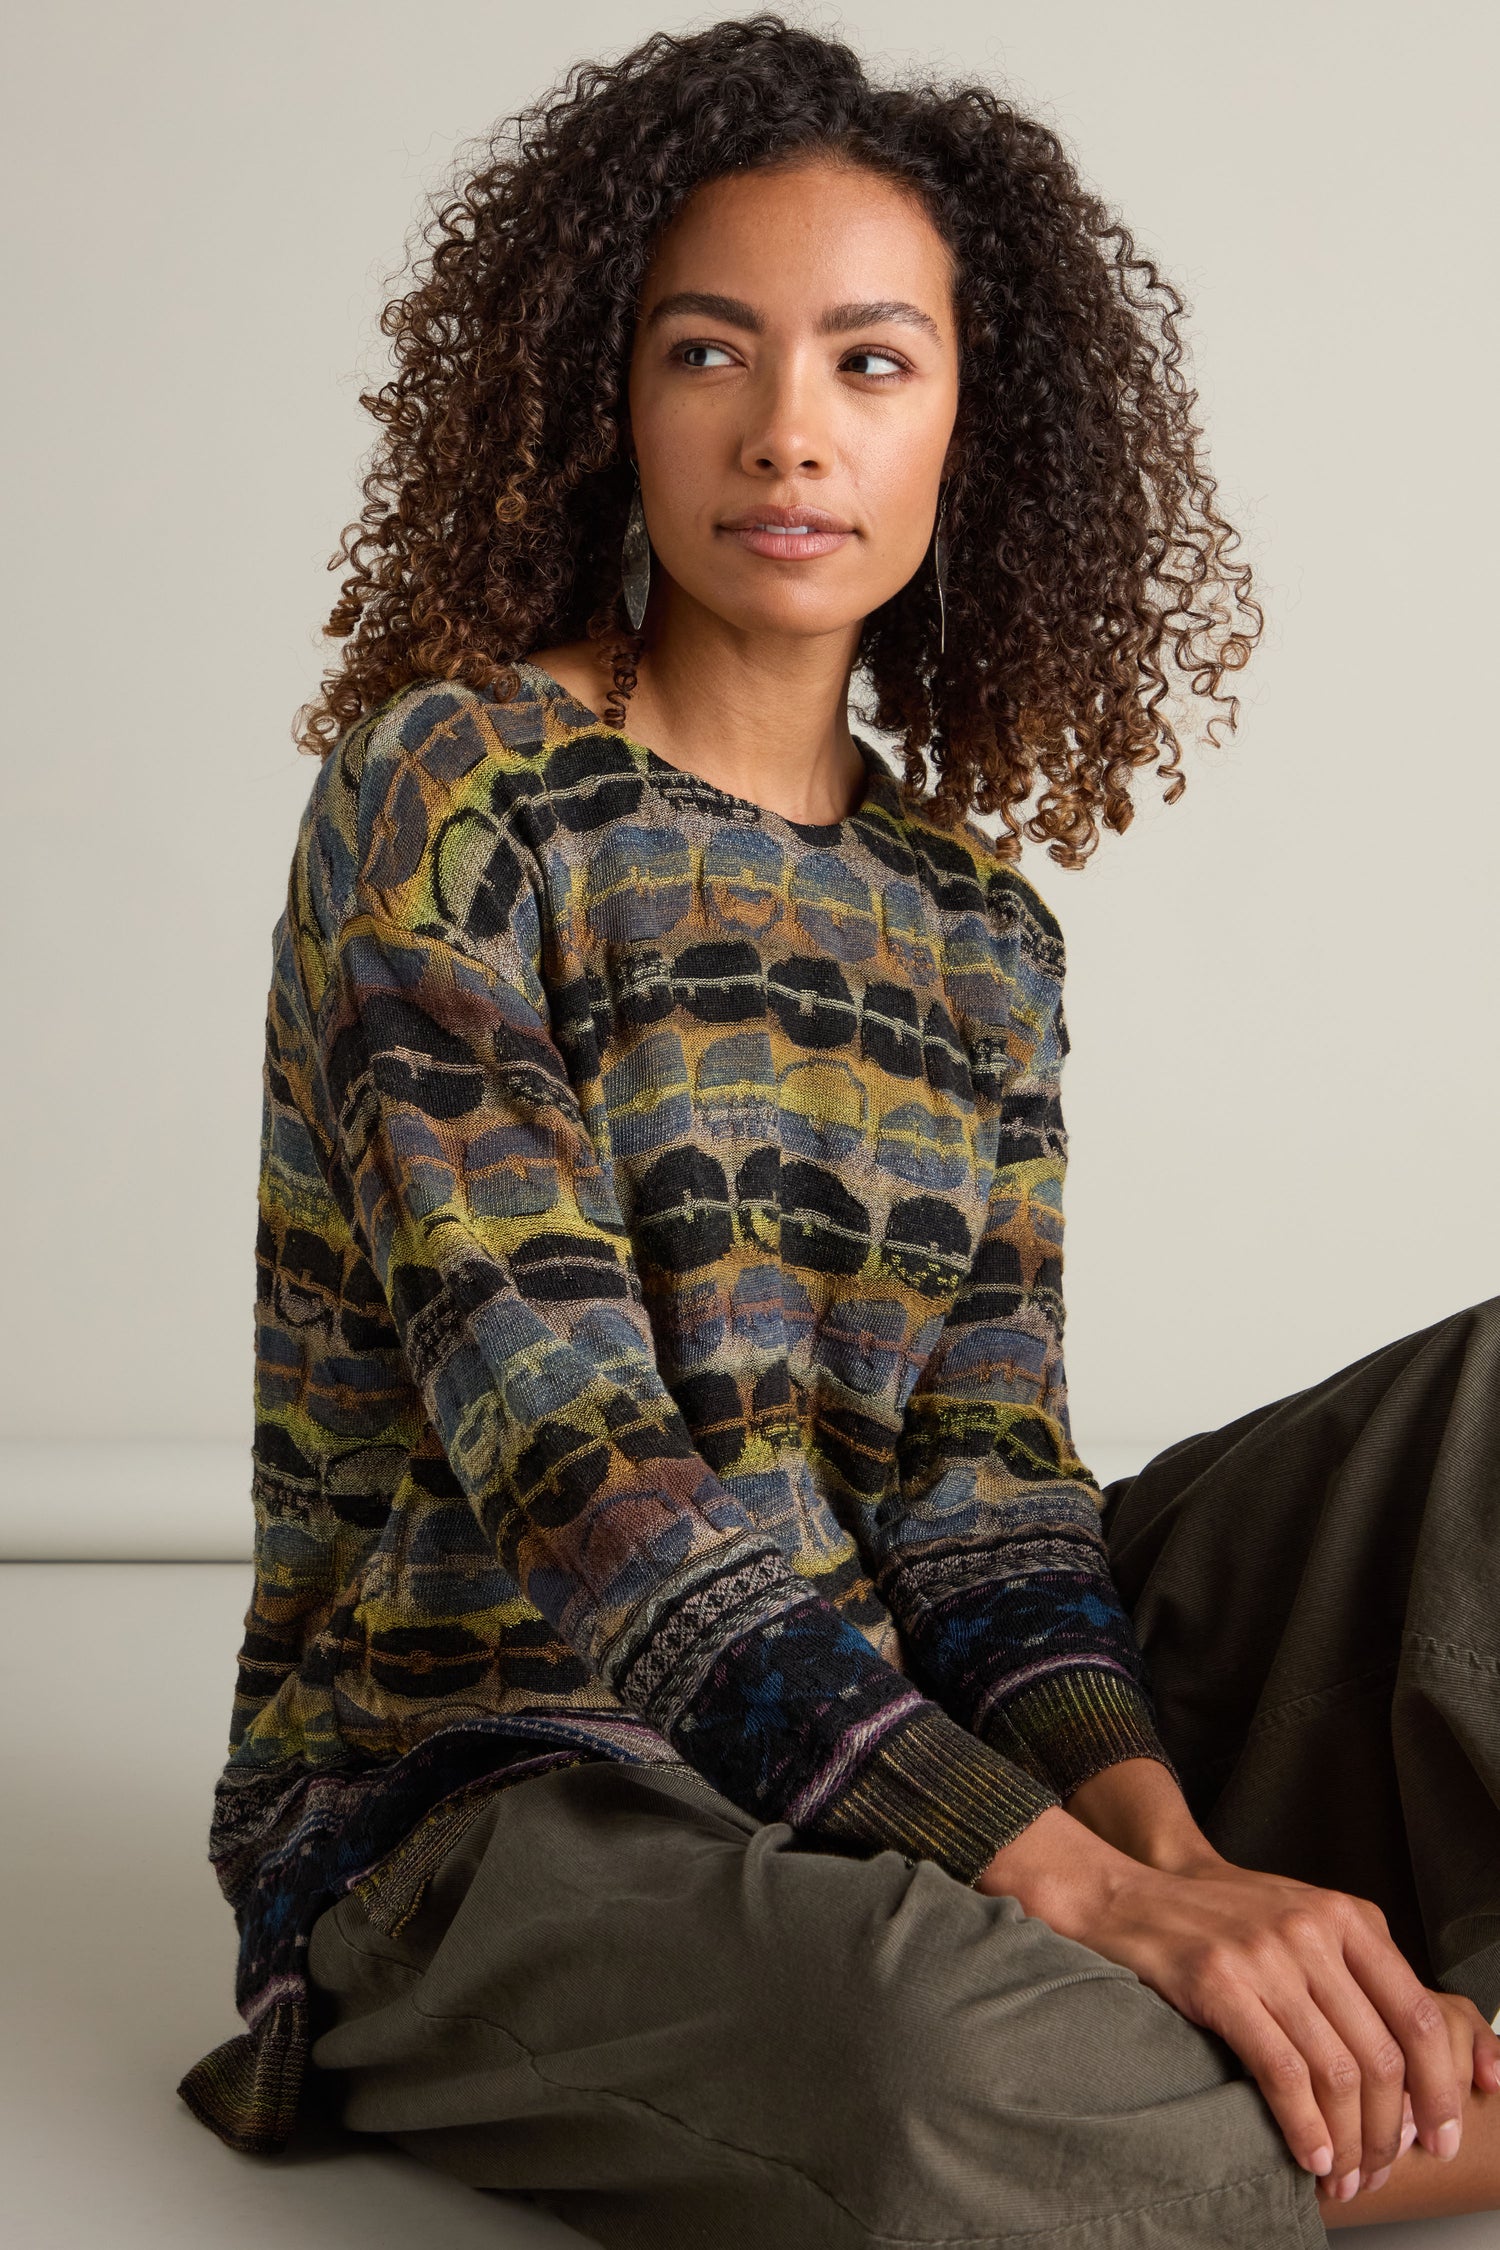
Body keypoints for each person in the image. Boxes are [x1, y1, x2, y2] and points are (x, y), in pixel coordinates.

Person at [178, 16, 1500, 2244]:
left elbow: (984, 1496)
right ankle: (1407, 2065)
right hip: (501, 1783)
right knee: (939, 2072)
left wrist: (1165, 1855)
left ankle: (1311, 2023)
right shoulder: (451, 792)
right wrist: (1079, 1892)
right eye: (714, 351)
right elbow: (576, 1474)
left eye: (872, 363)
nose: (789, 430)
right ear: (611, 394)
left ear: (973, 426)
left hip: (896, 1699)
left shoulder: (980, 925)